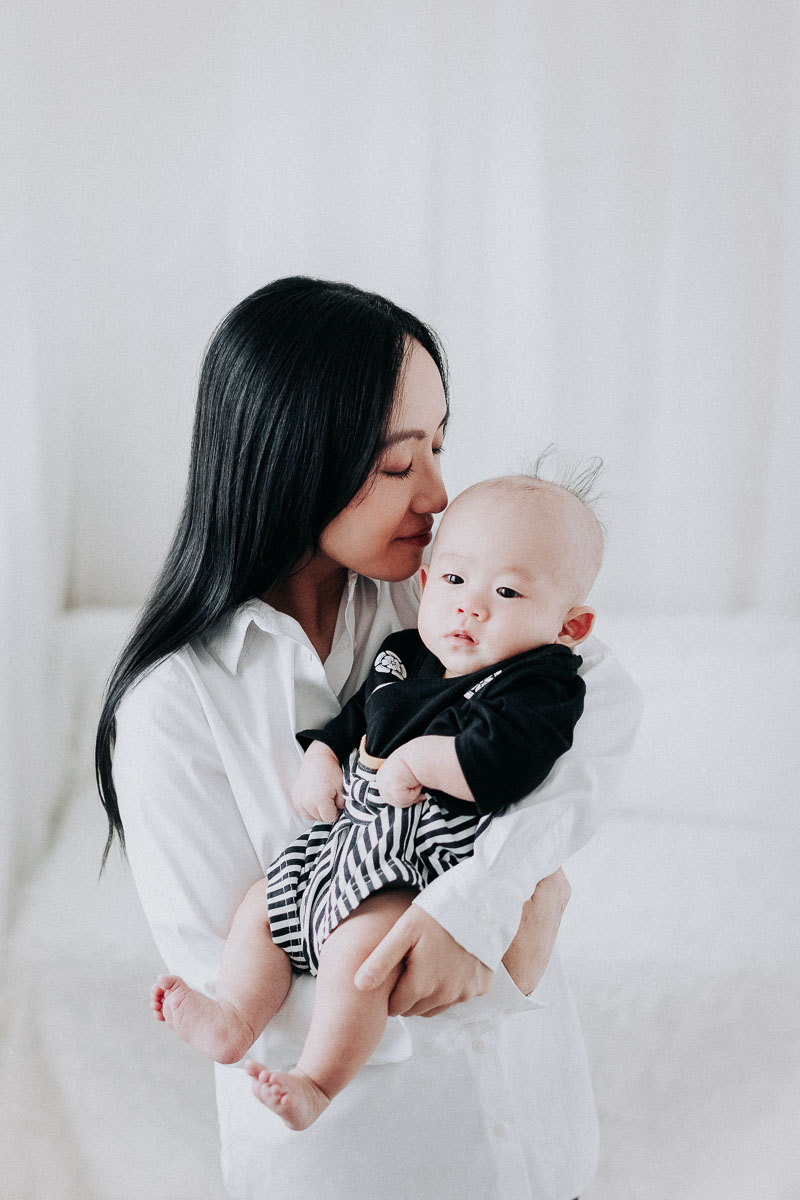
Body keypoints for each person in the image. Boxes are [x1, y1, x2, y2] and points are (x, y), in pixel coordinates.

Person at [97, 276, 642, 1200]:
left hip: (541, 1144)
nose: (438, 492)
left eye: (440, 443)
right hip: (367, 1165)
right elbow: (248, 998)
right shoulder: (174, 705)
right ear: (289, 462)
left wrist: (488, 900)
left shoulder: (450, 589)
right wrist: (512, 925)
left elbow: (594, 714)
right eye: (398, 465)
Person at [150, 473, 602, 1134]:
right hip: (349, 835)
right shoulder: (405, 655)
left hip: (425, 851)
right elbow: (355, 718)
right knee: (261, 909)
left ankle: (316, 1082)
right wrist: (321, 758)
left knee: (359, 954)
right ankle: (235, 1017)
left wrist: (422, 760)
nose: (469, 608)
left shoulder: (539, 682)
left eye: (505, 592)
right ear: (425, 586)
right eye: (453, 582)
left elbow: (503, 764)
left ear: (569, 626)